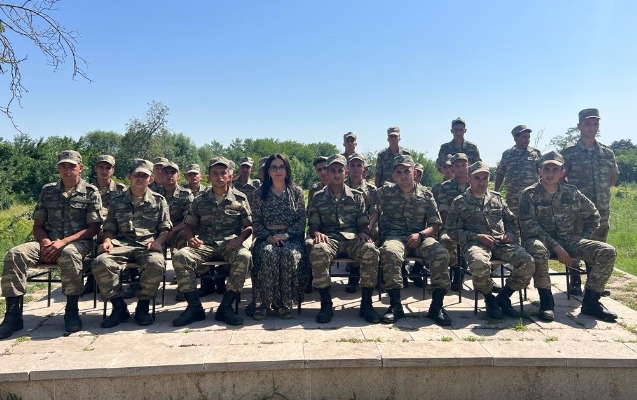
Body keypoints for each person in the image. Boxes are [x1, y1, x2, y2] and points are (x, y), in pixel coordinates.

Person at [0, 150, 102, 339]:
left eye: (71, 166)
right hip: (48, 241)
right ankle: (12, 315)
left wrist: (63, 242)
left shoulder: (90, 192)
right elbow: (38, 225)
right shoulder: (48, 191)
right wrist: (46, 242)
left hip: (79, 242)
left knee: (69, 253)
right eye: (63, 166)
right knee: (15, 253)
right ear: (58, 168)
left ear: (80, 167)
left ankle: (71, 310)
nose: (67, 170)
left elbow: (93, 228)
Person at [519, 151, 618, 322]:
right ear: (539, 171)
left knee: (607, 251)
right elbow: (530, 226)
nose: (550, 174)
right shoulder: (529, 194)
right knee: (538, 250)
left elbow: (594, 215)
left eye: (555, 169)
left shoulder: (572, 192)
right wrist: (557, 247)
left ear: (562, 172)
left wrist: (584, 237)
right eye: (546, 169)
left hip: (568, 239)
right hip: (538, 240)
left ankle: (591, 302)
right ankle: (546, 302)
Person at [445, 161, 535, 319]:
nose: (481, 182)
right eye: (477, 178)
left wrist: (510, 234)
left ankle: (504, 296)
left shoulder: (497, 198)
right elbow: (452, 231)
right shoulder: (459, 202)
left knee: (528, 261)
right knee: (479, 263)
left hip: (500, 243)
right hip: (475, 244)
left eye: (485, 178)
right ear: (469, 178)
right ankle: (489, 298)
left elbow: (510, 221)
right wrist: (476, 236)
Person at [171, 156, 253, 327]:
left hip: (229, 244)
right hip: (205, 244)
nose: (219, 176)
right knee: (180, 256)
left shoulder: (240, 198)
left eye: (223, 173)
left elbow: (249, 227)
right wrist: (190, 238)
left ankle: (226, 307)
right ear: (208, 177)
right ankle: (194, 307)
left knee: (244, 257)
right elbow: (188, 225)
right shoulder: (200, 199)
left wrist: (239, 239)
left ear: (230, 176)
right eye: (215, 173)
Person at [91, 159, 172, 328]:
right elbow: (109, 227)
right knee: (100, 262)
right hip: (121, 244)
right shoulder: (117, 200)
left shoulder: (159, 200)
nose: (140, 179)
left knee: (156, 263)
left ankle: (143, 307)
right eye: (137, 175)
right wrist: (107, 240)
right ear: (129, 176)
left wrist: (158, 242)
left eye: (144, 176)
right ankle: (118, 307)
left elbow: (165, 228)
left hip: (147, 244)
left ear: (150, 179)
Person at [374, 155, 452, 325]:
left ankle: (437, 307)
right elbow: (362, 201)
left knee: (441, 253)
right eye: (398, 172)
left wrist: (421, 235)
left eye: (406, 171)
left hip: (421, 237)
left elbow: (435, 224)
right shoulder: (385, 193)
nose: (403, 175)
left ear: (414, 173)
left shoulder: (426, 194)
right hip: (395, 237)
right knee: (389, 252)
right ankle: (395, 306)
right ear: (394, 176)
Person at [308, 154, 380, 324]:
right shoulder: (318, 197)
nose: (336, 174)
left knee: (370, 250)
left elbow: (363, 222)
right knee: (318, 250)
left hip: (352, 239)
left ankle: (366, 304)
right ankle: (326, 304)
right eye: (332, 170)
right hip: (329, 239)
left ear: (346, 172)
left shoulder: (356, 196)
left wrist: (364, 232)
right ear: (327, 172)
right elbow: (313, 225)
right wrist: (316, 233)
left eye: (340, 170)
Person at [561, 108, 619, 295]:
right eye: (587, 123)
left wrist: (601, 192)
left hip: (601, 207)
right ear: (579, 126)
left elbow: (613, 177)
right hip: (577, 209)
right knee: (576, 241)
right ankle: (575, 280)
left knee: (599, 243)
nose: (591, 127)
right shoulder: (569, 152)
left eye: (595, 124)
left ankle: (594, 284)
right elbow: (560, 178)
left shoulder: (607, 153)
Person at [250, 154, 306, 320]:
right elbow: (256, 221)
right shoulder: (259, 193)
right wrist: (268, 237)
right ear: (268, 171)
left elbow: (301, 219)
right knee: (268, 253)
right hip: (266, 238)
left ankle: (283, 303)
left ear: (287, 170)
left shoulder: (296, 192)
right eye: (273, 167)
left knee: (289, 254)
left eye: (281, 167)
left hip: (291, 237)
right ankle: (263, 303)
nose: (278, 171)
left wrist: (286, 235)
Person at [86, 154, 126, 295]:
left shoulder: (120, 189)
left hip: (114, 228)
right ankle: (92, 277)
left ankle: (103, 277)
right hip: (92, 225)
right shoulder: (88, 189)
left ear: (112, 170)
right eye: (101, 167)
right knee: (90, 239)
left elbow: (124, 212)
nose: (104, 171)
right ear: (95, 168)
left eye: (108, 168)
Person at [156, 162, 195, 301]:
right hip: (156, 233)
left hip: (176, 232)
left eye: (172, 172)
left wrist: (171, 231)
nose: (169, 175)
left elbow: (188, 220)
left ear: (178, 175)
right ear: (161, 175)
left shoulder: (186, 194)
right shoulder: (154, 194)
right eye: (166, 172)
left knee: (185, 238)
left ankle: (183, 286)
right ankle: (139, 283)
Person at [343, 153, 378, 293]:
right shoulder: (340, 186)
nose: (356, 168)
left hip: (367, 225)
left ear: (364, 168)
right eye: (352, 165)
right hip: (347, 226)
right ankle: (354, 277)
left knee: (376, 235)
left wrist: (368, 227)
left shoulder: (371, 189)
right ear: (348, 168)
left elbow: (375, 212)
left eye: (359, 165)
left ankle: (376, 276)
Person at [435, 153, 471, 291]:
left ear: (468, 166)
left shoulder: (475, 183)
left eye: (463, 165)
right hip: (451, 227)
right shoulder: (445, 187)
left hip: (474, 227)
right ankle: (458, 270)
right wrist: (453, 229)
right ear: (453, 168)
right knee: (446, 240)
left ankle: (484, 277)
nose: (461, 168)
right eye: (457, 166)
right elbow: (443, 211)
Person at [494, 125, 541, 223]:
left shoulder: (535, 154)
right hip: (512, 196)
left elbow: (542, 173)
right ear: (515, 138)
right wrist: (496, 191)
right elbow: (500, 173)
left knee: (531, 221)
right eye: (524, 137)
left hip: (531, 196)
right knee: (513, 221)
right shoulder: (507, 154)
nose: (527, 140)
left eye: (528, 137)